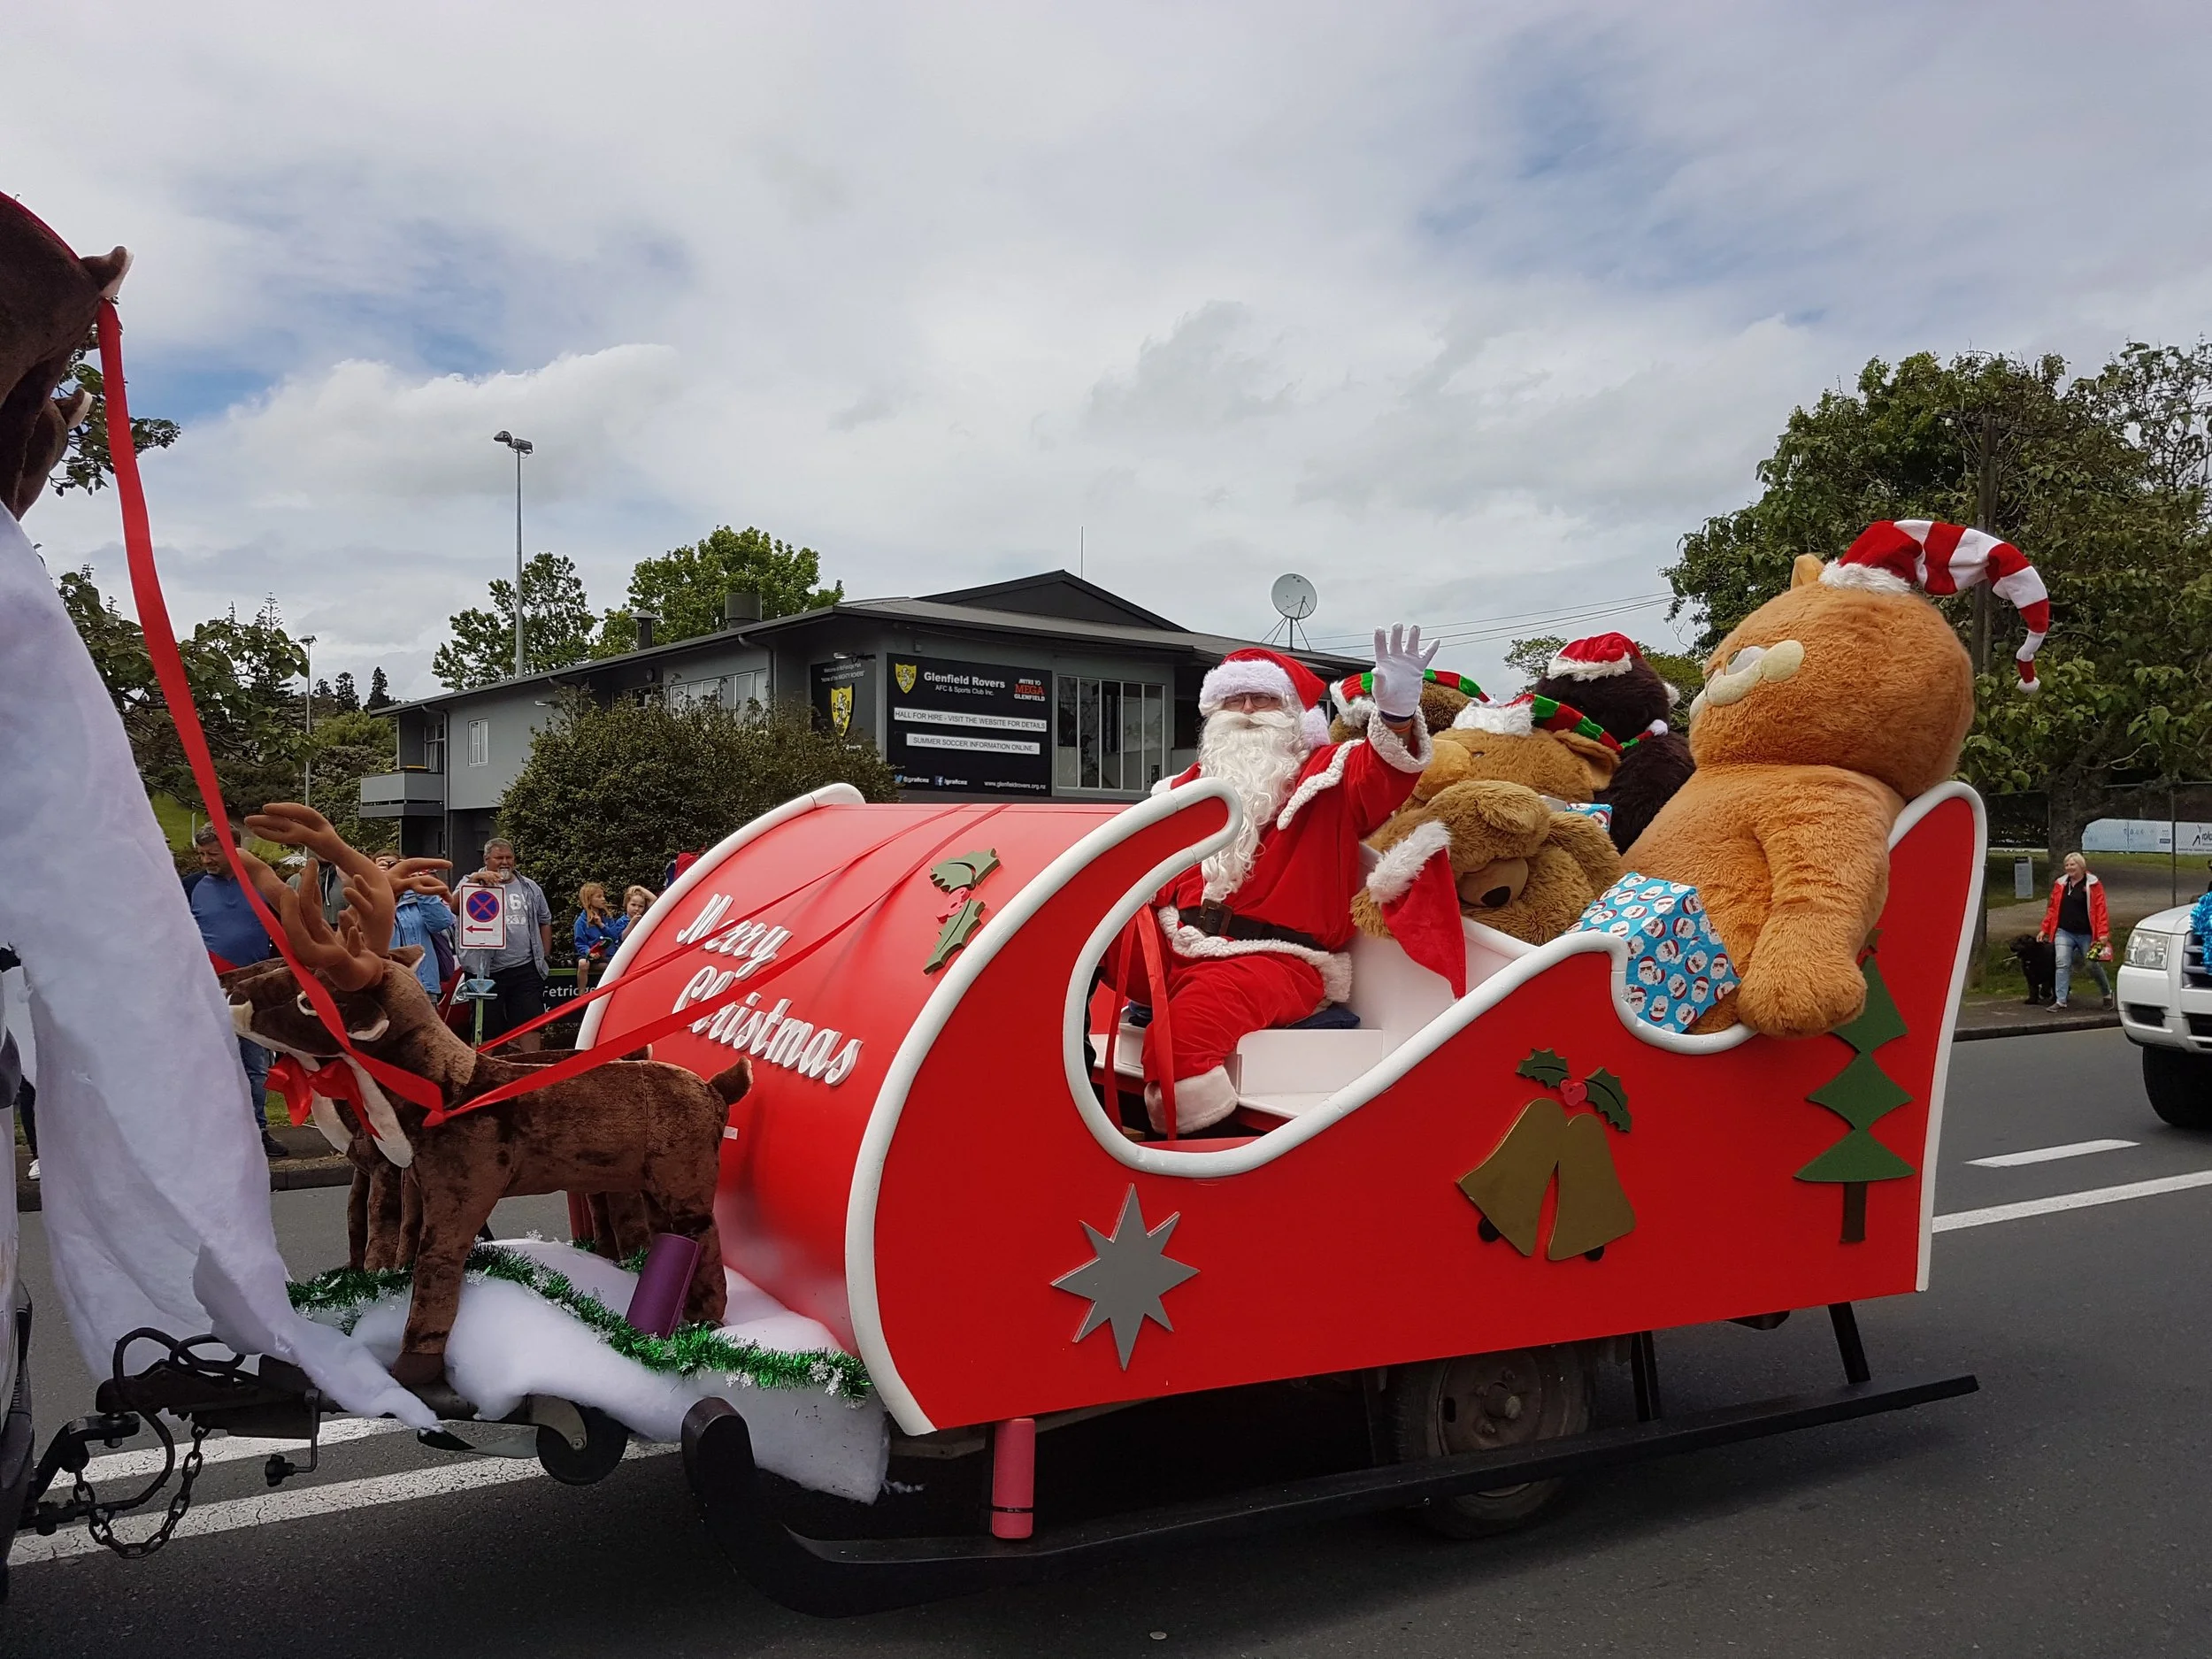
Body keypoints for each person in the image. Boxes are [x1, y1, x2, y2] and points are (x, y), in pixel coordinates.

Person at [1108, 628, 1436, 1134]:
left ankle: (1192, 1147)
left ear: (1292, 714)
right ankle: (1059, 1083)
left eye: (1263, 698)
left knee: (1186, 1034)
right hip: (1173, 940)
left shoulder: (1328, 777)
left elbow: (1380, 777)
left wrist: (1392, 715)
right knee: (1069, 944)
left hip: (1274, 958)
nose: (1246, 708)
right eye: (1233, 698)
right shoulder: (1184, 788)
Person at [187, 821, 288, 1157]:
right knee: (209, 1064)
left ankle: (257, 1131)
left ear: (234, 849)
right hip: (207, 990)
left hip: (253, 989)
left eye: (212, 853)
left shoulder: (261, 885)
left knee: (255, 1065)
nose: (205, 860)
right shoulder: (190, 887)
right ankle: (210, 1134)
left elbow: (288, 929)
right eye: (201, 853)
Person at [459, 836, 553, 1048]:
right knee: (485, 1027)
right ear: (486, 859)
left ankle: (530, 1073)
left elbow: (545, 920)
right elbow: (455, 906)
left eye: (509, 857)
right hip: (485, 969)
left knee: (531, 1024)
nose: (505, 862)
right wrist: (475, 880)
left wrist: (545, 955)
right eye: (499, 857)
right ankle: (481, 1077)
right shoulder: (472, 882)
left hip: (525, 968)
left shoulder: (529, 887)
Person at [373, 851, 457, 999]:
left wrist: (419, 886)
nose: (392, 871)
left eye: (396, 865)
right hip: (385, 987)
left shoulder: (418, 899)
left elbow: (441, 922)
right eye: (385, 865)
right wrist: (375, 883)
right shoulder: (369, 899)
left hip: (423, 985)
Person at [2039, 851, 2112, 1010]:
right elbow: (2052, 909)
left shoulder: (2093, 884)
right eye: (2067, 865)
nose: (2069, 868)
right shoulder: (2061, 884)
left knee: (2092, 965)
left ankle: (2107, 993)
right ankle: (2061, 1000)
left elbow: (2100, 910)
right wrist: (2045, 928)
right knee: (2062, 963)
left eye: (2073, 864)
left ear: (2081, 866)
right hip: (2064, 931)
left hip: (2087, 933)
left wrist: (2103, 933)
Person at [572, 881, 625, 990]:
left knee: (611, 968)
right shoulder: (581, 922)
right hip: (590, 956)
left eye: (603, 896)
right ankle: (581, 995)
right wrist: (589, 952)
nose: (603, 899)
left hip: (606, 957)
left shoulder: (607, 918)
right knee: (583, 964)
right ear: (589, 900)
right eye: (599, 897)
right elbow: (580, 943)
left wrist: (601, 925)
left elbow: (614, 936)